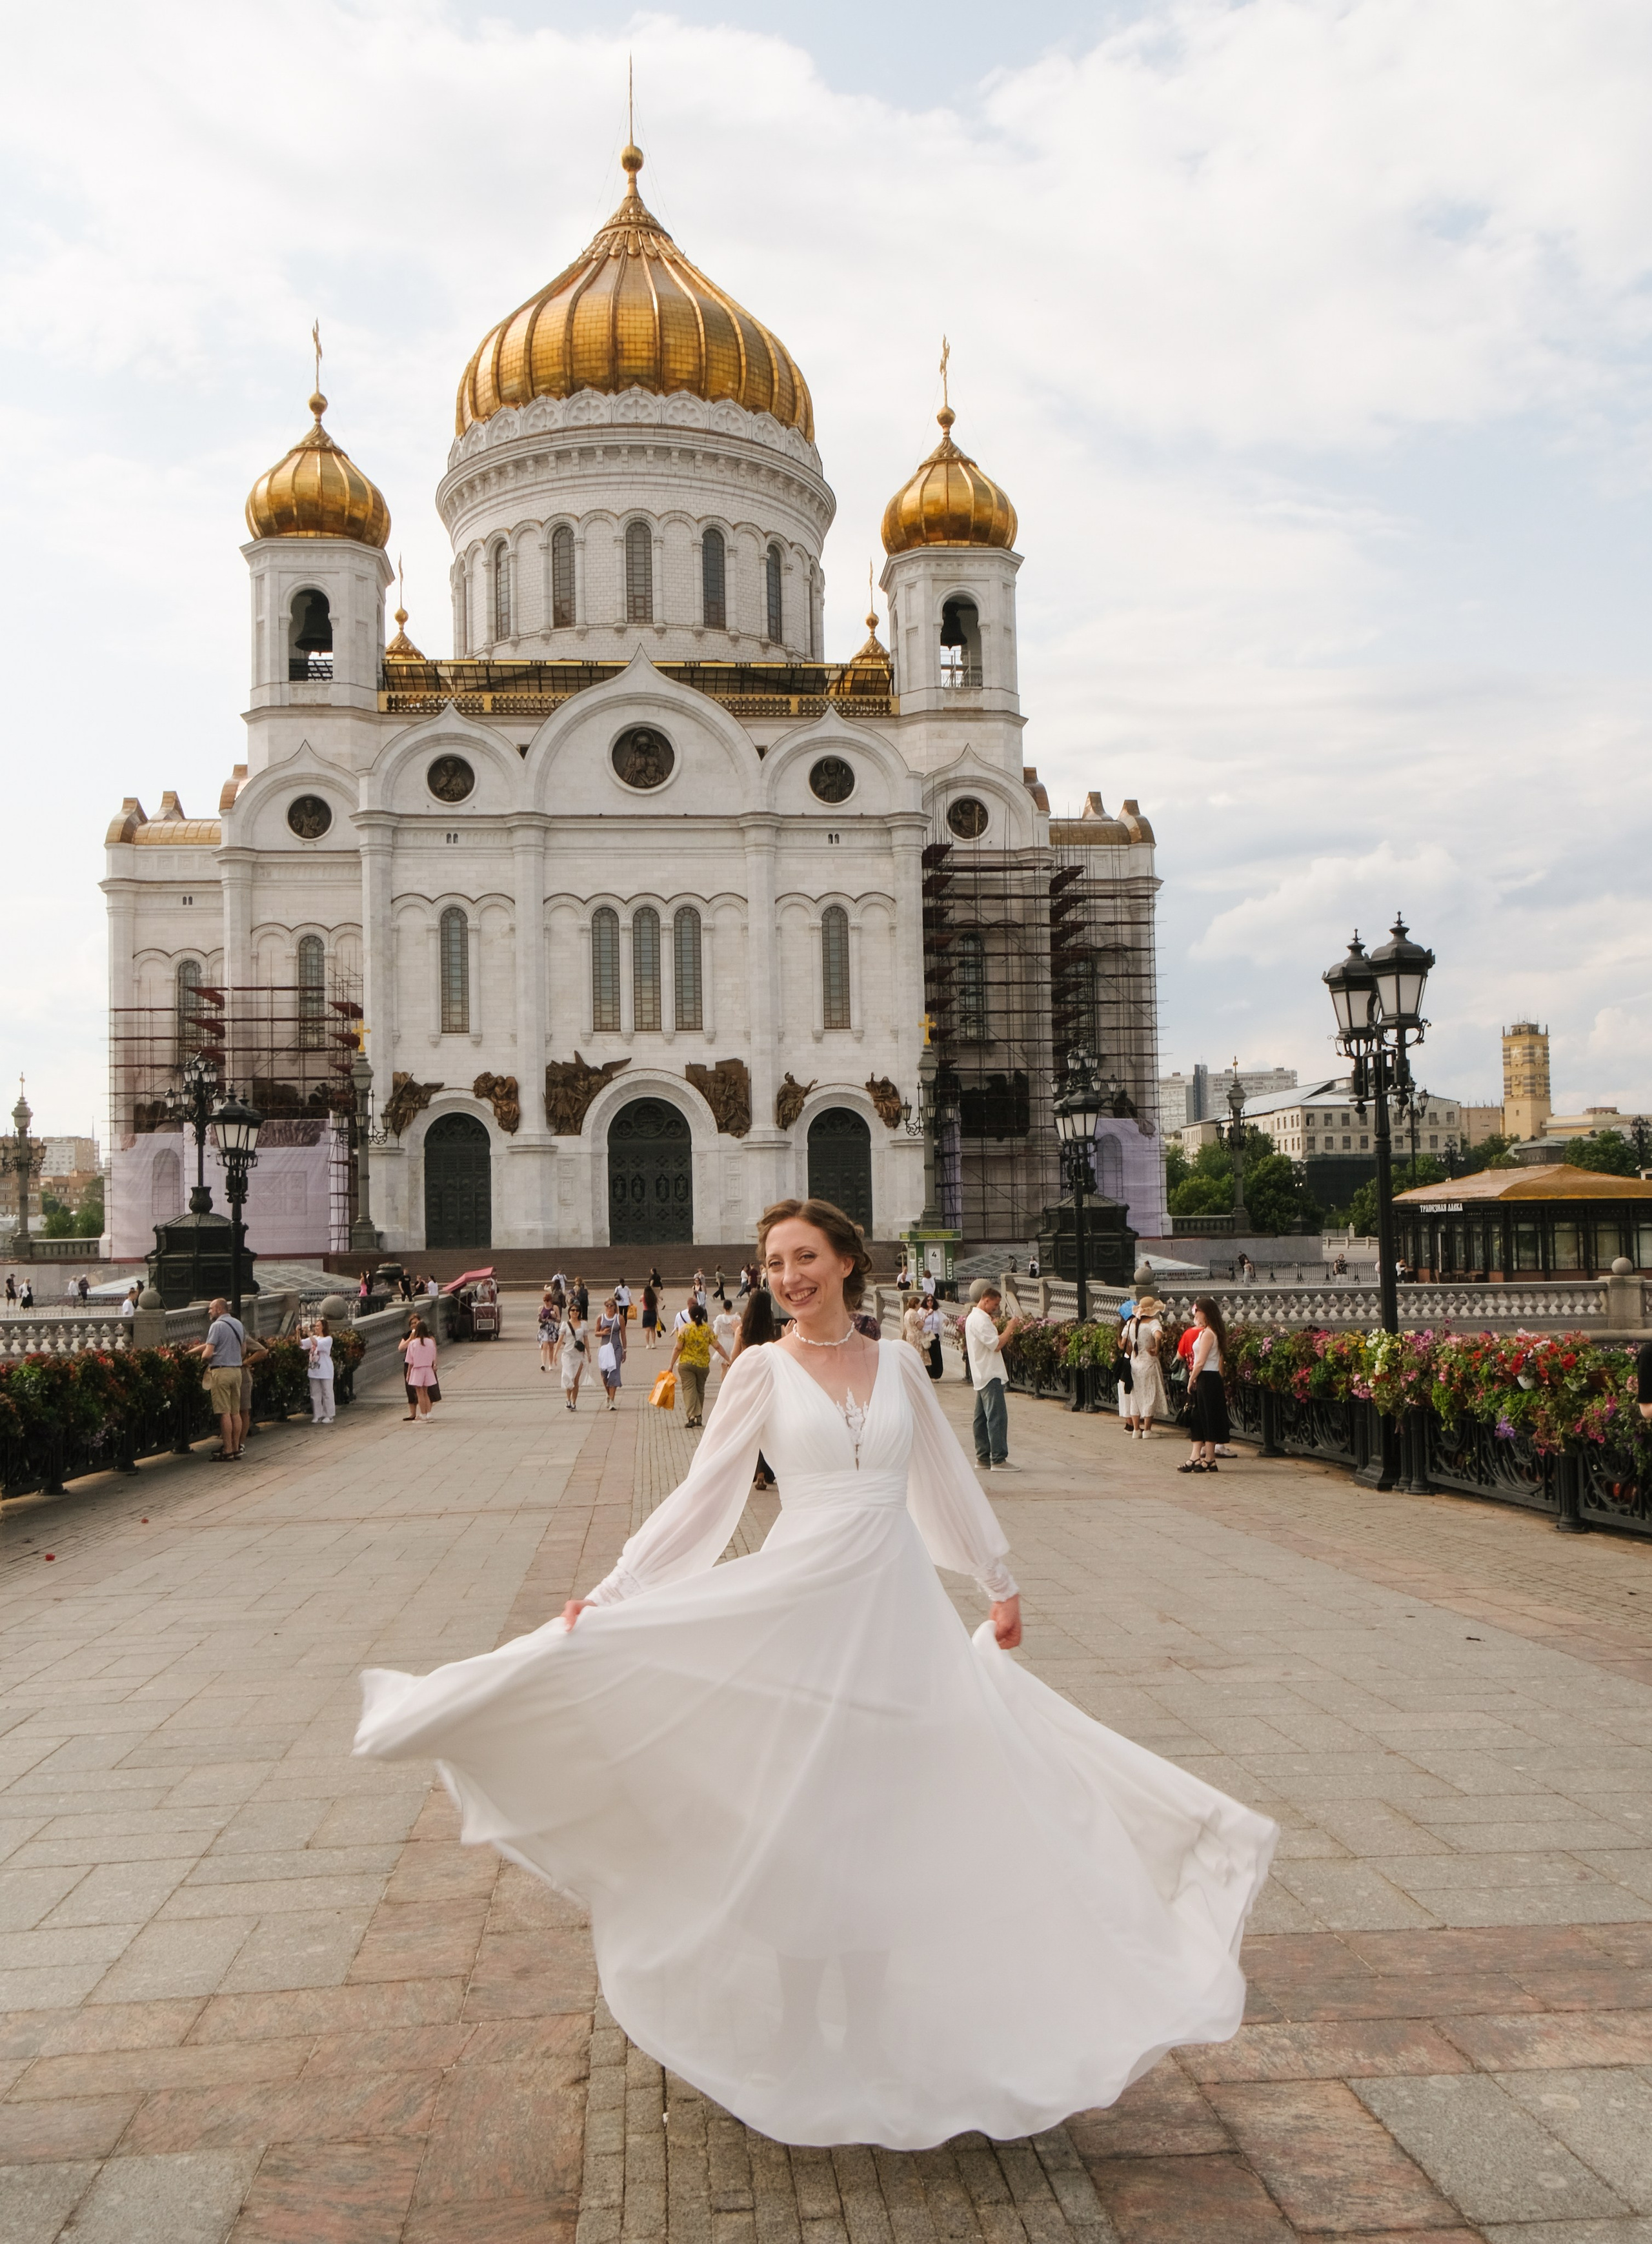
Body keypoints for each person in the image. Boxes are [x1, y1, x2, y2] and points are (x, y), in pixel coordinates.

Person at [356, 1193, 1276, 2153]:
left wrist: (996, 1579)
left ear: (845, 1259)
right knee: (805, 1815)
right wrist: (619, 1590)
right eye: (773, 1264)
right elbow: (704, 1492)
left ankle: (873, 2037)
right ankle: (798, 2037)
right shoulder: (758, 1368)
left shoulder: (899, 1366)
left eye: (803, 1257)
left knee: (882, 1817)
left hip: (897, 1616)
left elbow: (941, 1478)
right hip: (798, 1611)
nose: (787, 1277)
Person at [964, 1280, 1022, 1472]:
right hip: (990, 1373)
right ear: (986, 1300)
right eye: (995, 1305)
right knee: (996, 1417)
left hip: (981, 1373)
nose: (996, 1309)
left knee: (980, 1418)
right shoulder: (980, 1320)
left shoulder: (975, 1319)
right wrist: (1010, 1327)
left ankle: (982, 1458)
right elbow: (996, 1344)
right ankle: (998, 1459)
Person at [188, 1298, 247, 1462]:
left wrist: (203, 1359)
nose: (209, 1312)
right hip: (237, 1372)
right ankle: (236, 1449)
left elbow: (207, 1353)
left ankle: (227, 1450)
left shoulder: (217, 1326)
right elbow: (243, 1351)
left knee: (224, 1413)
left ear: (220, 1309)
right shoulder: (238, 1324)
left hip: (221, 1372)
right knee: (236, 1412)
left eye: (211, 1309)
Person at [1179, 1297, 1231, 1473]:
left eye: (1197, 1312)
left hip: (1207, 1377)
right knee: (1201, 1417)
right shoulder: (1207, 1332)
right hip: (1207, 1377)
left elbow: (1201, 1361)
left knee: (1208, 1417)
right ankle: (1203, 1457)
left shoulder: (1209, 1334)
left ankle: (1209, 1458)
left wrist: (1192, 1378)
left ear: (1205, 1313)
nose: (1195, 1315)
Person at [669, 1300, 729, 1429]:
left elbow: (678, 1348)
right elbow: (717, 1346)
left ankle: (692, 1415)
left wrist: (671, 1365)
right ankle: (699, 1416)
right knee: (700, 1389)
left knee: (689, 1389)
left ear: (690, 1316)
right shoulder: (707, 1329)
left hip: (686, 1364)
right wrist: (728, 1359)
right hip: (702, 1365)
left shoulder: (685, 1329)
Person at [1122, 1295, 1168, 1440]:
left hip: (1134, 1363)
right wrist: (1156, 1348)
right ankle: (1147, 1430)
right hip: (1148, 1363)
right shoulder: (1153, 1323)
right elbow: (1159, 1336)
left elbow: (1124, 1342)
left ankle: (1136, 1430)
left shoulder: (1131, 1323)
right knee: (1149, 1395)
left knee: (1136, 1396)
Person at [399, 1315, 440, 1423]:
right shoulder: (430, 1342)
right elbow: (434, 1354)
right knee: (426, 1392)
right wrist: (435, 1365)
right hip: (428, 1369)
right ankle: (429, 1414)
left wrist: (408, 1374)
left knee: (419, 1393)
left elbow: (410, 1361)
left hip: (418, 1370)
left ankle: (422, 1415)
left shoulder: (413, 1343)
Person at [596, 1295, 627, 1414]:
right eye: (607, 1306)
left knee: (614, 1372)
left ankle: (612, 1401)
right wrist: (602, 1332)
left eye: (611, 1306)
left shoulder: (620, 1318)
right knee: (604, 1375)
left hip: (616, 1348)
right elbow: (595, 1333)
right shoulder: (601, 1318)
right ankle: (608, 1394)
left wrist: (624, 1350)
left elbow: (623, 1334)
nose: (609, 1308)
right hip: (604, 1348)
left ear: (615, 1307)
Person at [557, 1303, 589, 1411]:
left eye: (577, 1310)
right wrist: (555, 1354)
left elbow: (586, 1339)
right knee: (568, 1376)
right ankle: (568, 1399)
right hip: (568, 1354)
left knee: (576, 1379)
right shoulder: (565, 1324)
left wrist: (589, 1353)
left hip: (579, 1355)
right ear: (569, 1312)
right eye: (573, 1310)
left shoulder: (583, 1324)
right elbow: (560, 1339)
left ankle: (574, 1401)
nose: (575, 1312)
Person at [305, 1319, 336, 1424]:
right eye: (315, 1326)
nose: (316, 1328)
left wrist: (309, 1334)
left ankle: (329, 1415)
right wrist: (298, 1332)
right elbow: (301, 1344)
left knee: (327, 1392)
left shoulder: (328, 1339)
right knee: (315, 1394)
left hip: (325, 1369)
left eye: (318, 1326)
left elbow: (316, 1344)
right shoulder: (314, 1337)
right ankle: (318, 1415)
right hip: (314, 1369)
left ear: (323, 1327)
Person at [920, 1291, 945, 1380]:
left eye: (931, 1301)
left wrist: (946, 1321)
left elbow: (944, 1318)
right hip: (927, 1335)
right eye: (928, 1301)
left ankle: (936, 1374)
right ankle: (928, 1373)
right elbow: (919, 1321)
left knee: (936, 1355)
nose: (930, 1302)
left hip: (935, 1335)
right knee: (928, 1355)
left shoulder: (937, 1311)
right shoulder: (921, 1311)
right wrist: (927, 1315)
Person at [712, 1294, 741, 1363]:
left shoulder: (720, 1318)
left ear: (723, 1307)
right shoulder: (736, 1318)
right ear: (731, 1308)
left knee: (724, 1365)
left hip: (724, 1341)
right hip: (733, 1340)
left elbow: (716, 1332)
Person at [900, 1292, 927, 1358]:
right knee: (918, 1356)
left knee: (911, 1355)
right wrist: (923, 1320)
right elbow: (920, 1327)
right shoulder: (915, 1314)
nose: (920, 1305)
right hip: (916, 1338)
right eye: (919, 1303)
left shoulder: (907, 1313)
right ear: (916, 1305)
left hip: (909, 1337)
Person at [538, 1289, 559, 1371]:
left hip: (552, 1327)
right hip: (544, 1328)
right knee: (544, 1346)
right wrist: (540, 1318)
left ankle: (550, 1364)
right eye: (545, 1301)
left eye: (548, 1301)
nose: (546, 1303)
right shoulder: (541, 1308)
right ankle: (543, 1364)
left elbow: (559, 1320)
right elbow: (539, 1320)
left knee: (551, 1347)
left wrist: (554, 1317)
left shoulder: (555, 1308)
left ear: (551, 1301)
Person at [641, 1282, 660, 1349]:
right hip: (653, 1313)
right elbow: (656, 1306)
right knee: (653, 1330)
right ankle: (653, 1344)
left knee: (647, 1331)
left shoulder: (643, 1297)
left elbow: (640, 1300)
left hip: (646, 1313)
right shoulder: (654, 1297)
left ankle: (647, 1344)